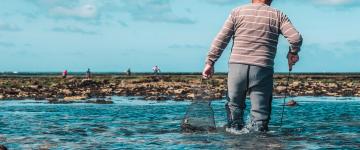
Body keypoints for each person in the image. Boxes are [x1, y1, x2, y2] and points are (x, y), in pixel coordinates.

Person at [202, 0, 303, 132]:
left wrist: (210, 62)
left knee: (234, 110)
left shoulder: (237, 12)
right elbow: (296, 39)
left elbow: (221, 39)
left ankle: (234, 141)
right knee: (260, 118)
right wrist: (293, 52)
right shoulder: (278, 15)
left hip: (237, 68)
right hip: (262, 69)